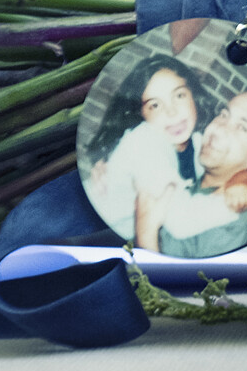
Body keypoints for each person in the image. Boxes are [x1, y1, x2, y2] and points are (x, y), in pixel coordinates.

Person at [137, 89, 247, 258]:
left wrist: (146, 235)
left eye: (242, 127)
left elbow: (184, 282)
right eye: (224, 114)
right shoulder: (187, 170)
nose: (219, 129)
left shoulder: (242, 221)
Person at [83, 57, 210, 244]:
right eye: (155, 105)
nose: (171, 112)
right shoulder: (144, 141)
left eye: (179, 95)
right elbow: (182, 223)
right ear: (142, 113)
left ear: (193, 95)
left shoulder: (199, 143)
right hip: (90, 232)